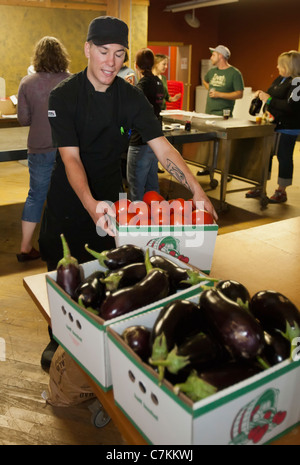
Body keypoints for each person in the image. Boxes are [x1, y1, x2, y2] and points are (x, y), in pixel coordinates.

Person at [38, 16, 217, 369]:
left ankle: (90, 337)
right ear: (88, 49)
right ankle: (56, 336)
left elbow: (163, 149)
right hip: (69, 201)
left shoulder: (131, 98)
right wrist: (90, 204)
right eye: (103, 51)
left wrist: (196, 190)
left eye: (119, 54)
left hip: (109, 202)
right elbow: (71, 159)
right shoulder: (64, 95)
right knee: (63, 274)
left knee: (101, 275)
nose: (111, 62)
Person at [16, 36, 70, 262]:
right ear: (62, 56)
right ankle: (65, 245)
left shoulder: (27, 83)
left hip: (38, 148)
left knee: (35, 196)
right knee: (66, 196)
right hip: (67, 148)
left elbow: (23, 119)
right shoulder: (71, 80)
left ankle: (25, 248)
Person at [246, 51, 300, 203]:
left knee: (284, 158)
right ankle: (260, 185)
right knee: (264, 157)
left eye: (280, 64)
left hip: (288, 127)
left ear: (289, 65)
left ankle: (281, 191)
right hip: (272, 125)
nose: (277, 66)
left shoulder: (297, 82)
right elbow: (271, 96)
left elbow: (291, 107)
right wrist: (262, 96)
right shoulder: (280, 79)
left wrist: (268, 99)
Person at [198, 45, 244, 176]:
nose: (211, 57)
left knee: (224, 146)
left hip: (224, 115)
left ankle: (226, 172)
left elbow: (239, 94)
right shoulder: (212, 72)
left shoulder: (234, 73)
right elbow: (205, 80)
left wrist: (219, 94)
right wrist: (209, 88)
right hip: (209, 112)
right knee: (208, 144)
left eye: (213, 55)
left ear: (221, 56)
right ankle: (208, 167)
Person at [127, 48, 164, 201]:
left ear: (136, 65)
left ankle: (137, 223)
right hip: (155, 141)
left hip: (140, 142)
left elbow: (132, 111)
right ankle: (155, 221)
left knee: (136, 190)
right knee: (152, 188)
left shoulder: (141, 86)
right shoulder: (158, 82)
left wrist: (130, 89)